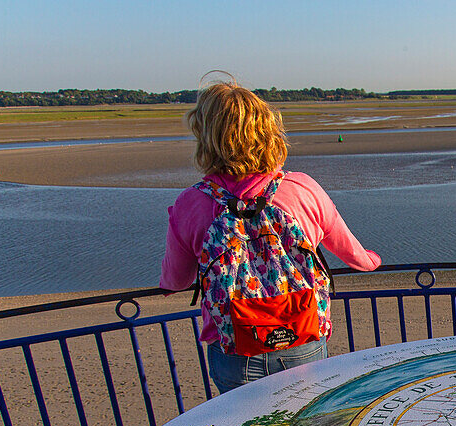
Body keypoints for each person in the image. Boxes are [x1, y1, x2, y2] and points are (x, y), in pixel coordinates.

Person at [160, 78, 380, 393]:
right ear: (268, 133)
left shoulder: (191, 202)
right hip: (301, 333)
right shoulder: (302, 188)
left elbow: (177, 280)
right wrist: (372, 261)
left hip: (235, 347)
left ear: (206, 137)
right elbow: (352, 253)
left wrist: (166, 286)